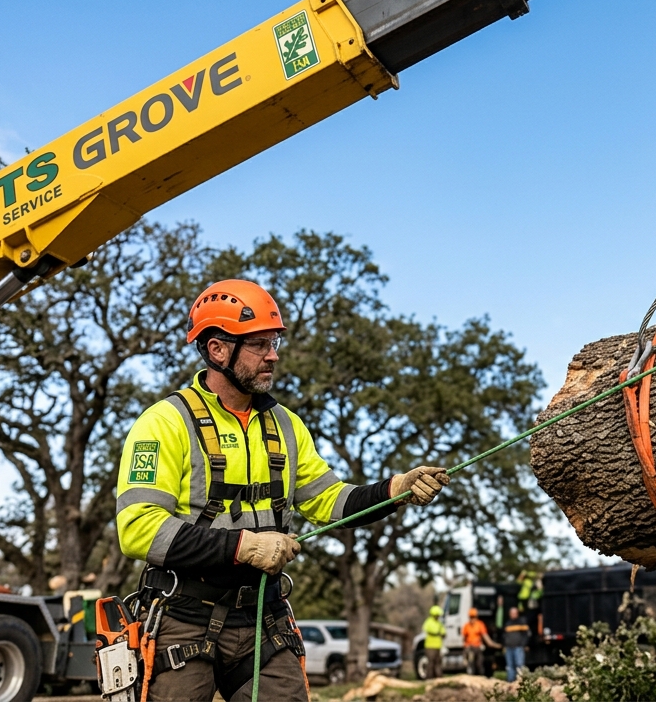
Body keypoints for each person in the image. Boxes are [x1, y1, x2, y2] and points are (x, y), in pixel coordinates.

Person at [116, 280, 450, 702]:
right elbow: (138, 529)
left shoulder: (286, 425)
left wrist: (395, 489)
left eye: (273, 342)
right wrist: (243, 546)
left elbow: (330, 501)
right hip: (183, 615)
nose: (273, 355)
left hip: (262, 618)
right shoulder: (164, 422)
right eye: (259, 344)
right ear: (217, 349)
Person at [462, 607, 500, 675]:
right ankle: (471, 678)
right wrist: (465, 650)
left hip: (478, 648)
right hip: (469, 648)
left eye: (473, 617)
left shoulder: (480, 624)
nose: (472, 619)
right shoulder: (466, 626)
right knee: (471, 664)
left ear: (476, 617)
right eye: (471, 617)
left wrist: (495, 645)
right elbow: (464, 639)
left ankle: (481, 678)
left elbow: (486, 637)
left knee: (479, 664)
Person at [502, 607, 530, 682]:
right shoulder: (507, 623)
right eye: (511, 613)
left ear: (517, 614)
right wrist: (505, 644)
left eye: (514, 613)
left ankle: (520, 681)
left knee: (519, 665)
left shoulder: (521, 622)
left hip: (518, 647)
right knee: (510, 666)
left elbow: (526, 635)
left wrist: (524, 644)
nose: (513, 615)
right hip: (509, 648)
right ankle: (510, 682)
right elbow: (504, 635)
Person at [422, 604, 446, 679]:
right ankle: (429, 678)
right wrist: (437, 633)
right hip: (430, 646)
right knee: (430, 663)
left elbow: (443, 633)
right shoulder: (428, 622)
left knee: (438, 663)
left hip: (438, 646)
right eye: (437, 615)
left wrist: (441, 633)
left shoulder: (439, 623)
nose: (438, 616)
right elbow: (427, 630)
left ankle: (439, 679)